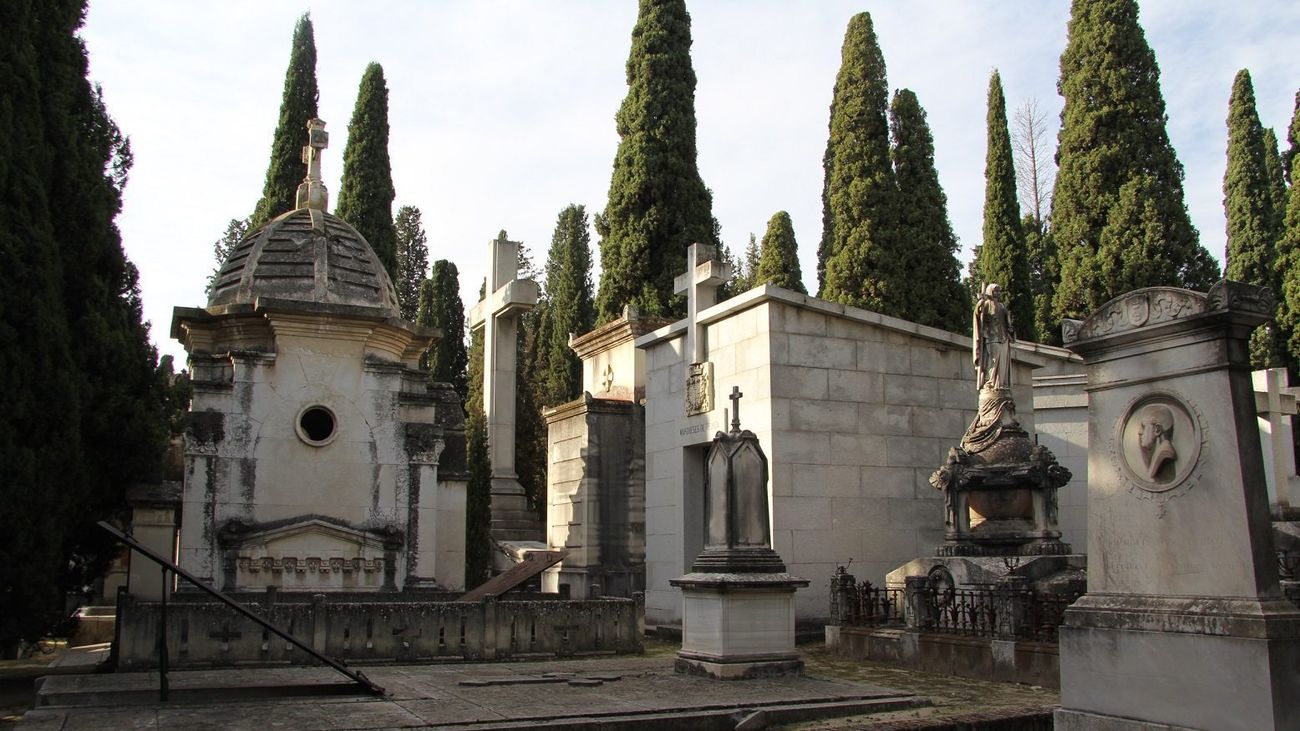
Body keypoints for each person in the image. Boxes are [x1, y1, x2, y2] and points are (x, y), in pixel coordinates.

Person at [972, 283, 1015, 391]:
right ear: (990, 292)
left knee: (1002, 364)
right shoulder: (985, 304)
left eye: (999, 291)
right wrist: (979, 305)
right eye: (996, 291)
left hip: (1004, 338)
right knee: (993, 361)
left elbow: (1007, 322)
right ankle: (990, 383)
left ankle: (1001, 384)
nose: (998, 293)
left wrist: (1010, 329)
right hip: (991, 337)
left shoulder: (1001, 306)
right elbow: (977, 317)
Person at [1137, 403, 1177, 482]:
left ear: (1157, 430)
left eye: (1143, 426)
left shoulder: (1165, 452)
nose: (1139, 432)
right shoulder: (1159, 451)